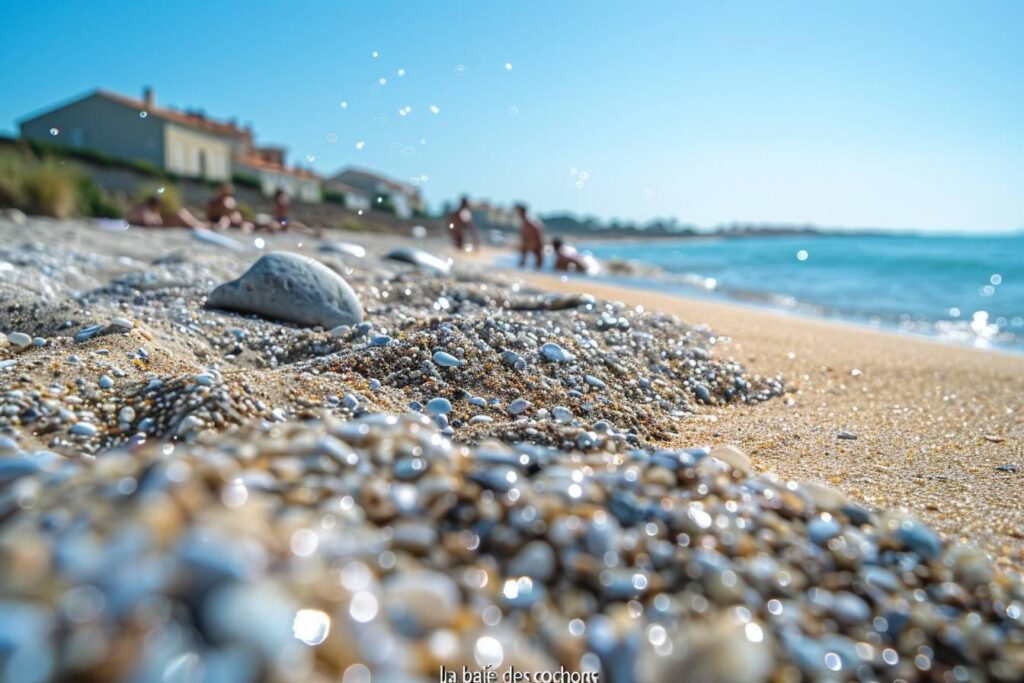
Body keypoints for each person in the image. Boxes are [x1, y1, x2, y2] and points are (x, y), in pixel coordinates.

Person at [127, 195, 205, 229]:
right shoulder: (146, 209)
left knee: (181, 214)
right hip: (157, 227)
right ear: (155, 204)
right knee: (180, 214)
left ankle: (201, 225)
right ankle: (201, 225)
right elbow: (149, 223)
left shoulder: (142, 208)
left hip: (156, 226)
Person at [515, 203, 545, 269]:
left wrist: (537, 243)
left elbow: (538, 232)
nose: (517, 214)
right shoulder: (525, 223)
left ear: (522, 212)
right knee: (523, 261)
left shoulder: (530, 222)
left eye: (518, 212)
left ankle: (537, 274)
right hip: (528, 244)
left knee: (538, 263)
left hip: (535, 244)